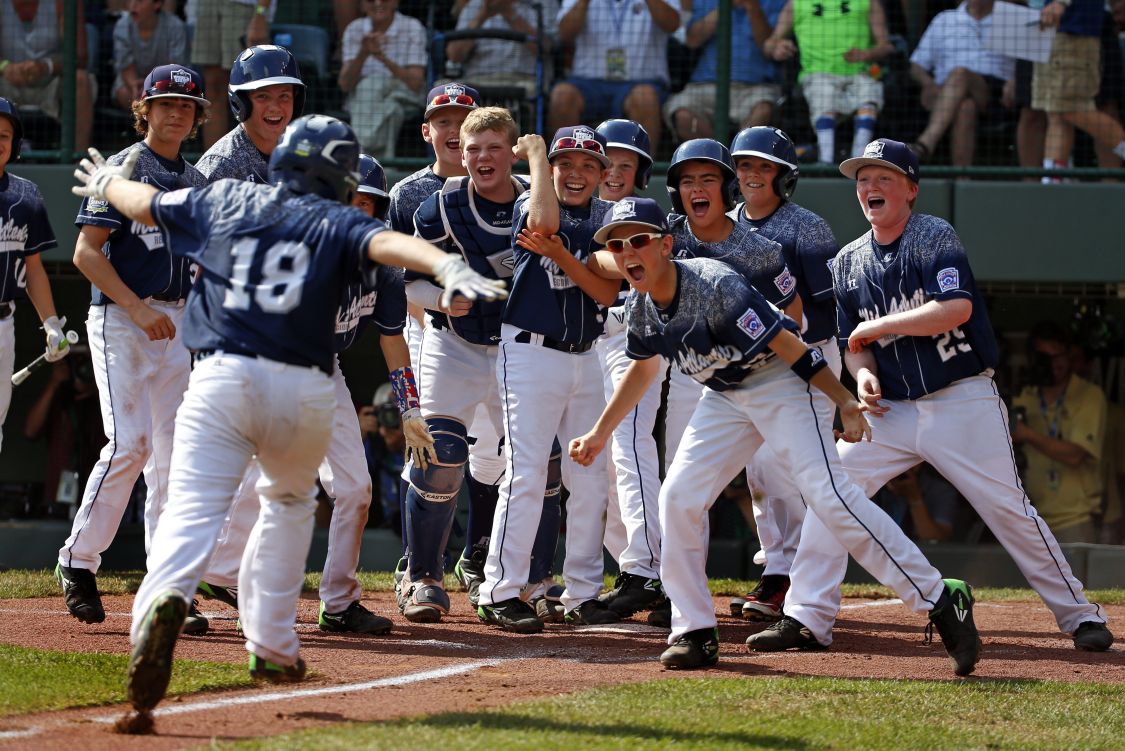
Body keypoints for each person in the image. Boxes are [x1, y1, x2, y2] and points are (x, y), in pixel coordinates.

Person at [70, 114, 505, 728]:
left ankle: (163, 601)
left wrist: (108, 184)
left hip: (218, 377)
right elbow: (388, 246)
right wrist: (446, 268)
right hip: (300, 384)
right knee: (286, 507)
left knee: (192, 508)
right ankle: (273, 646)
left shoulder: (226, 196)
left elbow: (145, 203)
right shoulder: (334, 218)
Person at [570, 196, 982, 675]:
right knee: (678, 499)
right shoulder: (642, 306)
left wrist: (844, 400)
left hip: (783, 382)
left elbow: (792, 346)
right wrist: (601, 432)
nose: (627, 251)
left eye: (638, 240)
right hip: (725, 395)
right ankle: (694, 631)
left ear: (666, 244)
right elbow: (642, 369)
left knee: (831, 498)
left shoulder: (713, 282)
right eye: (617, 245)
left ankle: (938, 596)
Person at [765, 138, 1113, 658]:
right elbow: (851, 346)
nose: (870, 187)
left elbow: (954, 309)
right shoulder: (848, 262)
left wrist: (879, 324)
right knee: (831, 489)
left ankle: (1080, 615)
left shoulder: (933, 235)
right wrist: (862, 378)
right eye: (863, 178)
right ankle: (807, 617)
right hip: (893, 410)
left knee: (1008, 509)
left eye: (884, 177)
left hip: (961, 398)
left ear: (911, 188)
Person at [57, 66, 210, 631]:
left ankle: (168, 586)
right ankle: (78, 561)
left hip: (177, 324)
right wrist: (138, 308)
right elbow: (86, 254)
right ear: (143, 108)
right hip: (122, 318)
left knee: (173, 460)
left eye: (187, 106)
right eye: (166, 103)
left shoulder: (195, 179)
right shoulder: (123, 168)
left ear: (198, 118)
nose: (176, 113)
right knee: (131, 444)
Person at [476, 126, 621, 633]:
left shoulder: (607, 220)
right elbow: (543, 220)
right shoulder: (531, 202)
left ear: (604, 175)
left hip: (587, 355)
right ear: (549, 170)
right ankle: (500, 589)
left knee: (590, 476)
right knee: (528, 472)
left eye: (588, 165)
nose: (576, 173)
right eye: (565, 164)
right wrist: (536, 155)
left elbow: (608, 292)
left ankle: (582, 591)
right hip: (531, 351)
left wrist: (566, 255)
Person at [399, 106, 534, 623]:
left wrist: (540, 166)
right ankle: (422, 578)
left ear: (512, 149)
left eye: (494, 148)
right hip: (452, 346)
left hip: (520, 350)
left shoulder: (535, 201)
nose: (481, 157)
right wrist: (439, 297)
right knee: (441, 452)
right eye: (472, 148)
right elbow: (407, 281)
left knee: (533, 464)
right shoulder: (437, 208)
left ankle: (525, 579)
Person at [727, 125, 839, 622]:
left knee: (787, 466)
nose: (753, 174)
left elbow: (827, 311)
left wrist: (778, 334)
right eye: (745, 165)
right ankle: (779, 570)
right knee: (759, 470)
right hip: (747, 365)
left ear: (782, 176)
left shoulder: (806, 227)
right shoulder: (721, 224)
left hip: (807, 356)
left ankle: (792, 575)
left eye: (764, 166)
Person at [590, 119, 670, 620]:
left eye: (627, 163)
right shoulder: (574, 208)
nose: (615, 171)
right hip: (584, 347)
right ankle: (635, 568)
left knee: (629, 447)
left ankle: (646, 570)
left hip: (636, 340)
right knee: (600, 464)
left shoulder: (648, 216)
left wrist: (604, 257)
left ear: (640, 171)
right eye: (608, 161)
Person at [0, 97, 67, 452]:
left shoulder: (26, 195)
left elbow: (34, 269)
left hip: (3, 323)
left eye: (5, 135)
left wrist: (52, 324)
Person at [764, 0, 894, 163]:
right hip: (818, 74)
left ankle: (858, 159)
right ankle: (825, 161)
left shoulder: (869, 2)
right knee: (823, 94)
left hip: (860, 73)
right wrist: (777, 47)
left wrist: (867, 54)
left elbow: (886, 46)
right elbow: (770, 44)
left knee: (869, 92)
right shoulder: (796, 4)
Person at [1011, 321, 1107, 544]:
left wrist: (1027, 434)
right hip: (1029, 520)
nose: (1053, 364)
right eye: (1044, 357)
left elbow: (1076, 455)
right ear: (1033, 359)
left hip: (1075, 520)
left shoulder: (1088, 395)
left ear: (1069, 356)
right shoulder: (1024, 395)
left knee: (1079, 580)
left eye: (1058, 356)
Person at [548, 0, 682, 147]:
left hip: (641, 81)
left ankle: (645, 168)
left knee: (645, 97)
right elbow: (565, 33)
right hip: (587, 82)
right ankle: (563, 162)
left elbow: (673, 25)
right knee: (562, 94)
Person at [907, 0, 1014, 167]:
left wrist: (1015, 80)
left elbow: (1028, 64)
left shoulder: (1010, 20)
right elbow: (916, 65)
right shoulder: (944, 19)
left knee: (960, 74)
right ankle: (963, 180)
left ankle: (924, 144)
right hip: (945, 93)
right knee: (966, 107)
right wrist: (927, 83)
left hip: (994, 95)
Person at [663, 0, 786, 142]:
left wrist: (752, 6)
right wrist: (727, 6)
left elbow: (769, 45)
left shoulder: (777, 3)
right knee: (683, 116)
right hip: (704, 84)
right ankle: (719, 158)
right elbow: (693, 39)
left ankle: (738, 156)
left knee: (763, 112)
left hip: (756, 86)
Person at [1035, 0, 1125, 176]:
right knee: (1056, 113)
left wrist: (1061, 2)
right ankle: (1052, 185)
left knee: (1073, 109)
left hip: (1074, 34)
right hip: (1050, 31)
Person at [195, 45, 304, 183]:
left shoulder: (301, 154)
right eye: (263, 96)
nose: (275, 107)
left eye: (284, 96)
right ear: (241, 102)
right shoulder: (222, 166)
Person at [0, 0, 96, 153]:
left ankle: (79, 160)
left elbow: (80, 56)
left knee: (81, 80)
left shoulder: (63, 3)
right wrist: (5, 67)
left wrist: (46, 66)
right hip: (6, 83)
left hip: (51, 82)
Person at [338, 0, 428, 157]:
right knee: (392, 110)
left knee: (370, 84)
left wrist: (382, 57)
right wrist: (363, 52)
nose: (378, 3)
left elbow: (415, 83)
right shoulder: (354, 29)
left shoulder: (412, 27)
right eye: (371, 0)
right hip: (366, 98)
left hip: (405, 93)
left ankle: (362, 153)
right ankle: (386, 169)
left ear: (395, 2)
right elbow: (345, 84)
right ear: (363, 5)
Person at [23, 347, 105, 515]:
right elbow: (30, 431)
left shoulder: (106, 402)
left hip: (98, 499)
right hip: (58, 498)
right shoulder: (59, 399)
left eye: (90, 364)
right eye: (79, 363)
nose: (85, 370)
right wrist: (55, 382)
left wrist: (101, 389)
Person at [191, 0, 272, 148]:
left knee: (250, 88)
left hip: (244, 6)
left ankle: (258, 161)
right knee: (213, 88)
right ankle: (213, 165)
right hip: (207, 5)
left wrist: (261, 12)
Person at [446, 0, 560, 100]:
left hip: (525, 79)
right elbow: (454, 56)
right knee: (445, 90)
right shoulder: (475, 4)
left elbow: (546, 49)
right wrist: (483, 14)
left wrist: (509, 13)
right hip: (477, 79)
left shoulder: (545, 3)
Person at [112, 0, 190, 110]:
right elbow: (125, 65)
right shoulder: (122, 26)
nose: (133, 5)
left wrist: (153, 86)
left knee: (169, 97)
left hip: (166, 82)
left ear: (157, 4)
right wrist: (134, 86)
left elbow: (176, 68)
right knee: (125, 93)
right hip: (134, 82)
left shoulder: (175, 26)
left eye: (140, 1)